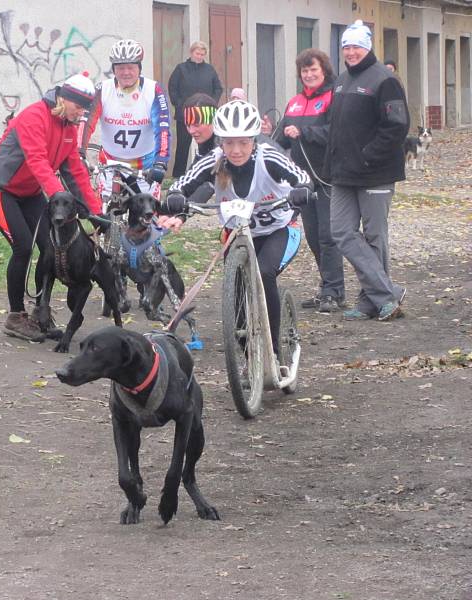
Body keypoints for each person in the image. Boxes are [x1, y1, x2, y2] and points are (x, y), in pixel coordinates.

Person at [162, 100, 312, 358]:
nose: (236, 150)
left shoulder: (269, 155)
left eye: (243, 142)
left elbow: (302, 177)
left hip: (279, 229)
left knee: (264, 273)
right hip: (238, 232)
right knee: (237, 288)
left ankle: (274, 354)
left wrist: (302, 190)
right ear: (221, 142)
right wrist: (176, 197)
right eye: (229, 142)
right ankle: (247, 354)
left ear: (254, 139)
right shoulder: (215, 159)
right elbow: (184, 183)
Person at [0, 73, 103, 342]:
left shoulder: (69, 128)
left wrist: (96, 211)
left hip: (29, 191)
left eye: (85, 109)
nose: (81, 113)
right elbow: (37, 161)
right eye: (79, 107)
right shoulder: (34, 116)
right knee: (23, 246)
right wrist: (59, 197)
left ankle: (40, 313)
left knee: (51, 247)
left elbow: (75, 172)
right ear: (64, 99)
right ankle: (15, 316)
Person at [325, 20, 408, 322]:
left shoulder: (385, 80)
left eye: (356, 46)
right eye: (346, 46)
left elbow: (397, 126)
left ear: (368, 46)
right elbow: (335, 127)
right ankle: (387, 293)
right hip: (344, 175)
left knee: (374, 236)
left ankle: (371, 300)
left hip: (376, 173)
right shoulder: (341, 81)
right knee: (342, 232)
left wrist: (368, 157)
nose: (350, 51)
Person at [265, 48, 345, 313]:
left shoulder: (335, 97)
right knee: (312, 235)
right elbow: (281, 139)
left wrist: (305, 132)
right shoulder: (295, 102)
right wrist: (268, 134)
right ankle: (327, 288)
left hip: (329, 177)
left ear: (324, 71)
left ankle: (334, 292)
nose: (309, 74)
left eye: (314, 70)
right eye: (305, 70)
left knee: (328, 235)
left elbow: (337, 133)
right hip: (302, 182)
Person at [80, 39, 171, 205]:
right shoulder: (102, 89)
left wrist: (161, 162)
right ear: (113, 69)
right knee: (104, 217)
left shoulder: (153, 90)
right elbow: (86, 123)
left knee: (147, 220)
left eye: (131, 67)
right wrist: (79, 153)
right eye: (120, 68)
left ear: (139, 68)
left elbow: (163, 128)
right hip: (110, 163)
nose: (126, 72)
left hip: (144, 165)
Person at [167, 41, 223, 177]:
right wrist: (179, 104)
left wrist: (212, 104)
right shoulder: (181, 69)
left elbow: (218, 88)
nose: (200, 57)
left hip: (206, 115)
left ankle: (207, 175)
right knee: (183, 146)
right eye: (197, 54)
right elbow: (172, 88)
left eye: (202, 55)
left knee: (207, 146)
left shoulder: (209, 70)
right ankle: (178, 176)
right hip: (185, 115)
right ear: (191, 53)